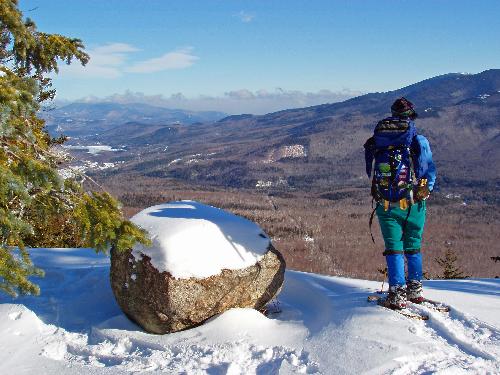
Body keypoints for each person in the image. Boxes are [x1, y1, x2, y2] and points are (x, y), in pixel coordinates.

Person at [364, 98, 436, 309]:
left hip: (386, 203)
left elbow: (371, 170)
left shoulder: (379, 140)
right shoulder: (419, 140)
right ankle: (415, 289)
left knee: (394, 248)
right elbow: (429, 170)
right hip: (414, 202)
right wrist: (425, 191)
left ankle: (397, 293)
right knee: (413, 246)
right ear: (411, 116)